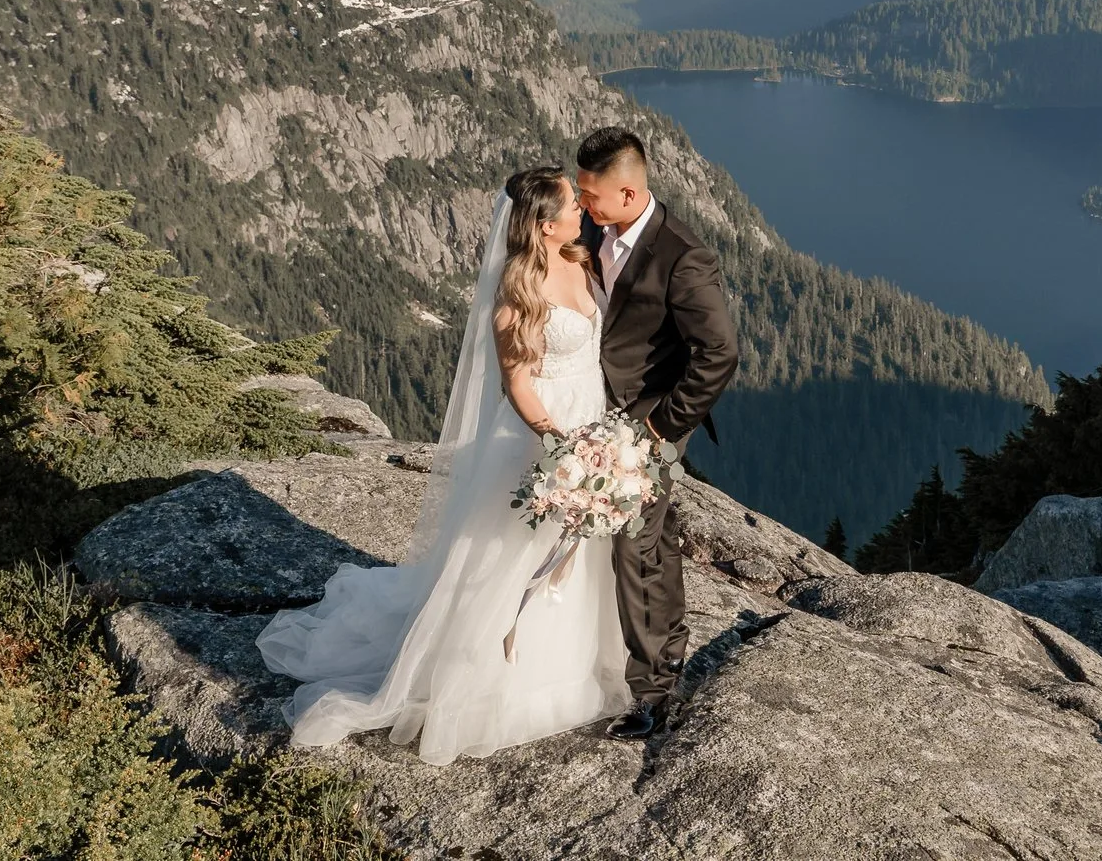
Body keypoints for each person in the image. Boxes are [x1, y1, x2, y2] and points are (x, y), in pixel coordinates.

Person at [255, 166, 632, 762]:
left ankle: (572, 665)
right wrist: (560, 445)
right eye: (570, 201)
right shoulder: (518, 291)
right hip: (544, 435)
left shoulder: (584, 258)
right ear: (543, 221)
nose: (583, 206)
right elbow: (517, 384)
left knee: (577, 551)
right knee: (510, 551)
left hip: (591, 415)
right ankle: (496, 680)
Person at [573, 126, 740, 741]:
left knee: (634, 544)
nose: (580, 205)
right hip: (592, 408)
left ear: (625, 191)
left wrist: (659, 427)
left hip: (648, 417)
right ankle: (666, 652)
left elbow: (719, 354)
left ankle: (655, 692)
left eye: (589, 195)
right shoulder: (594, 228)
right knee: (654, 539)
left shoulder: (682, 255)